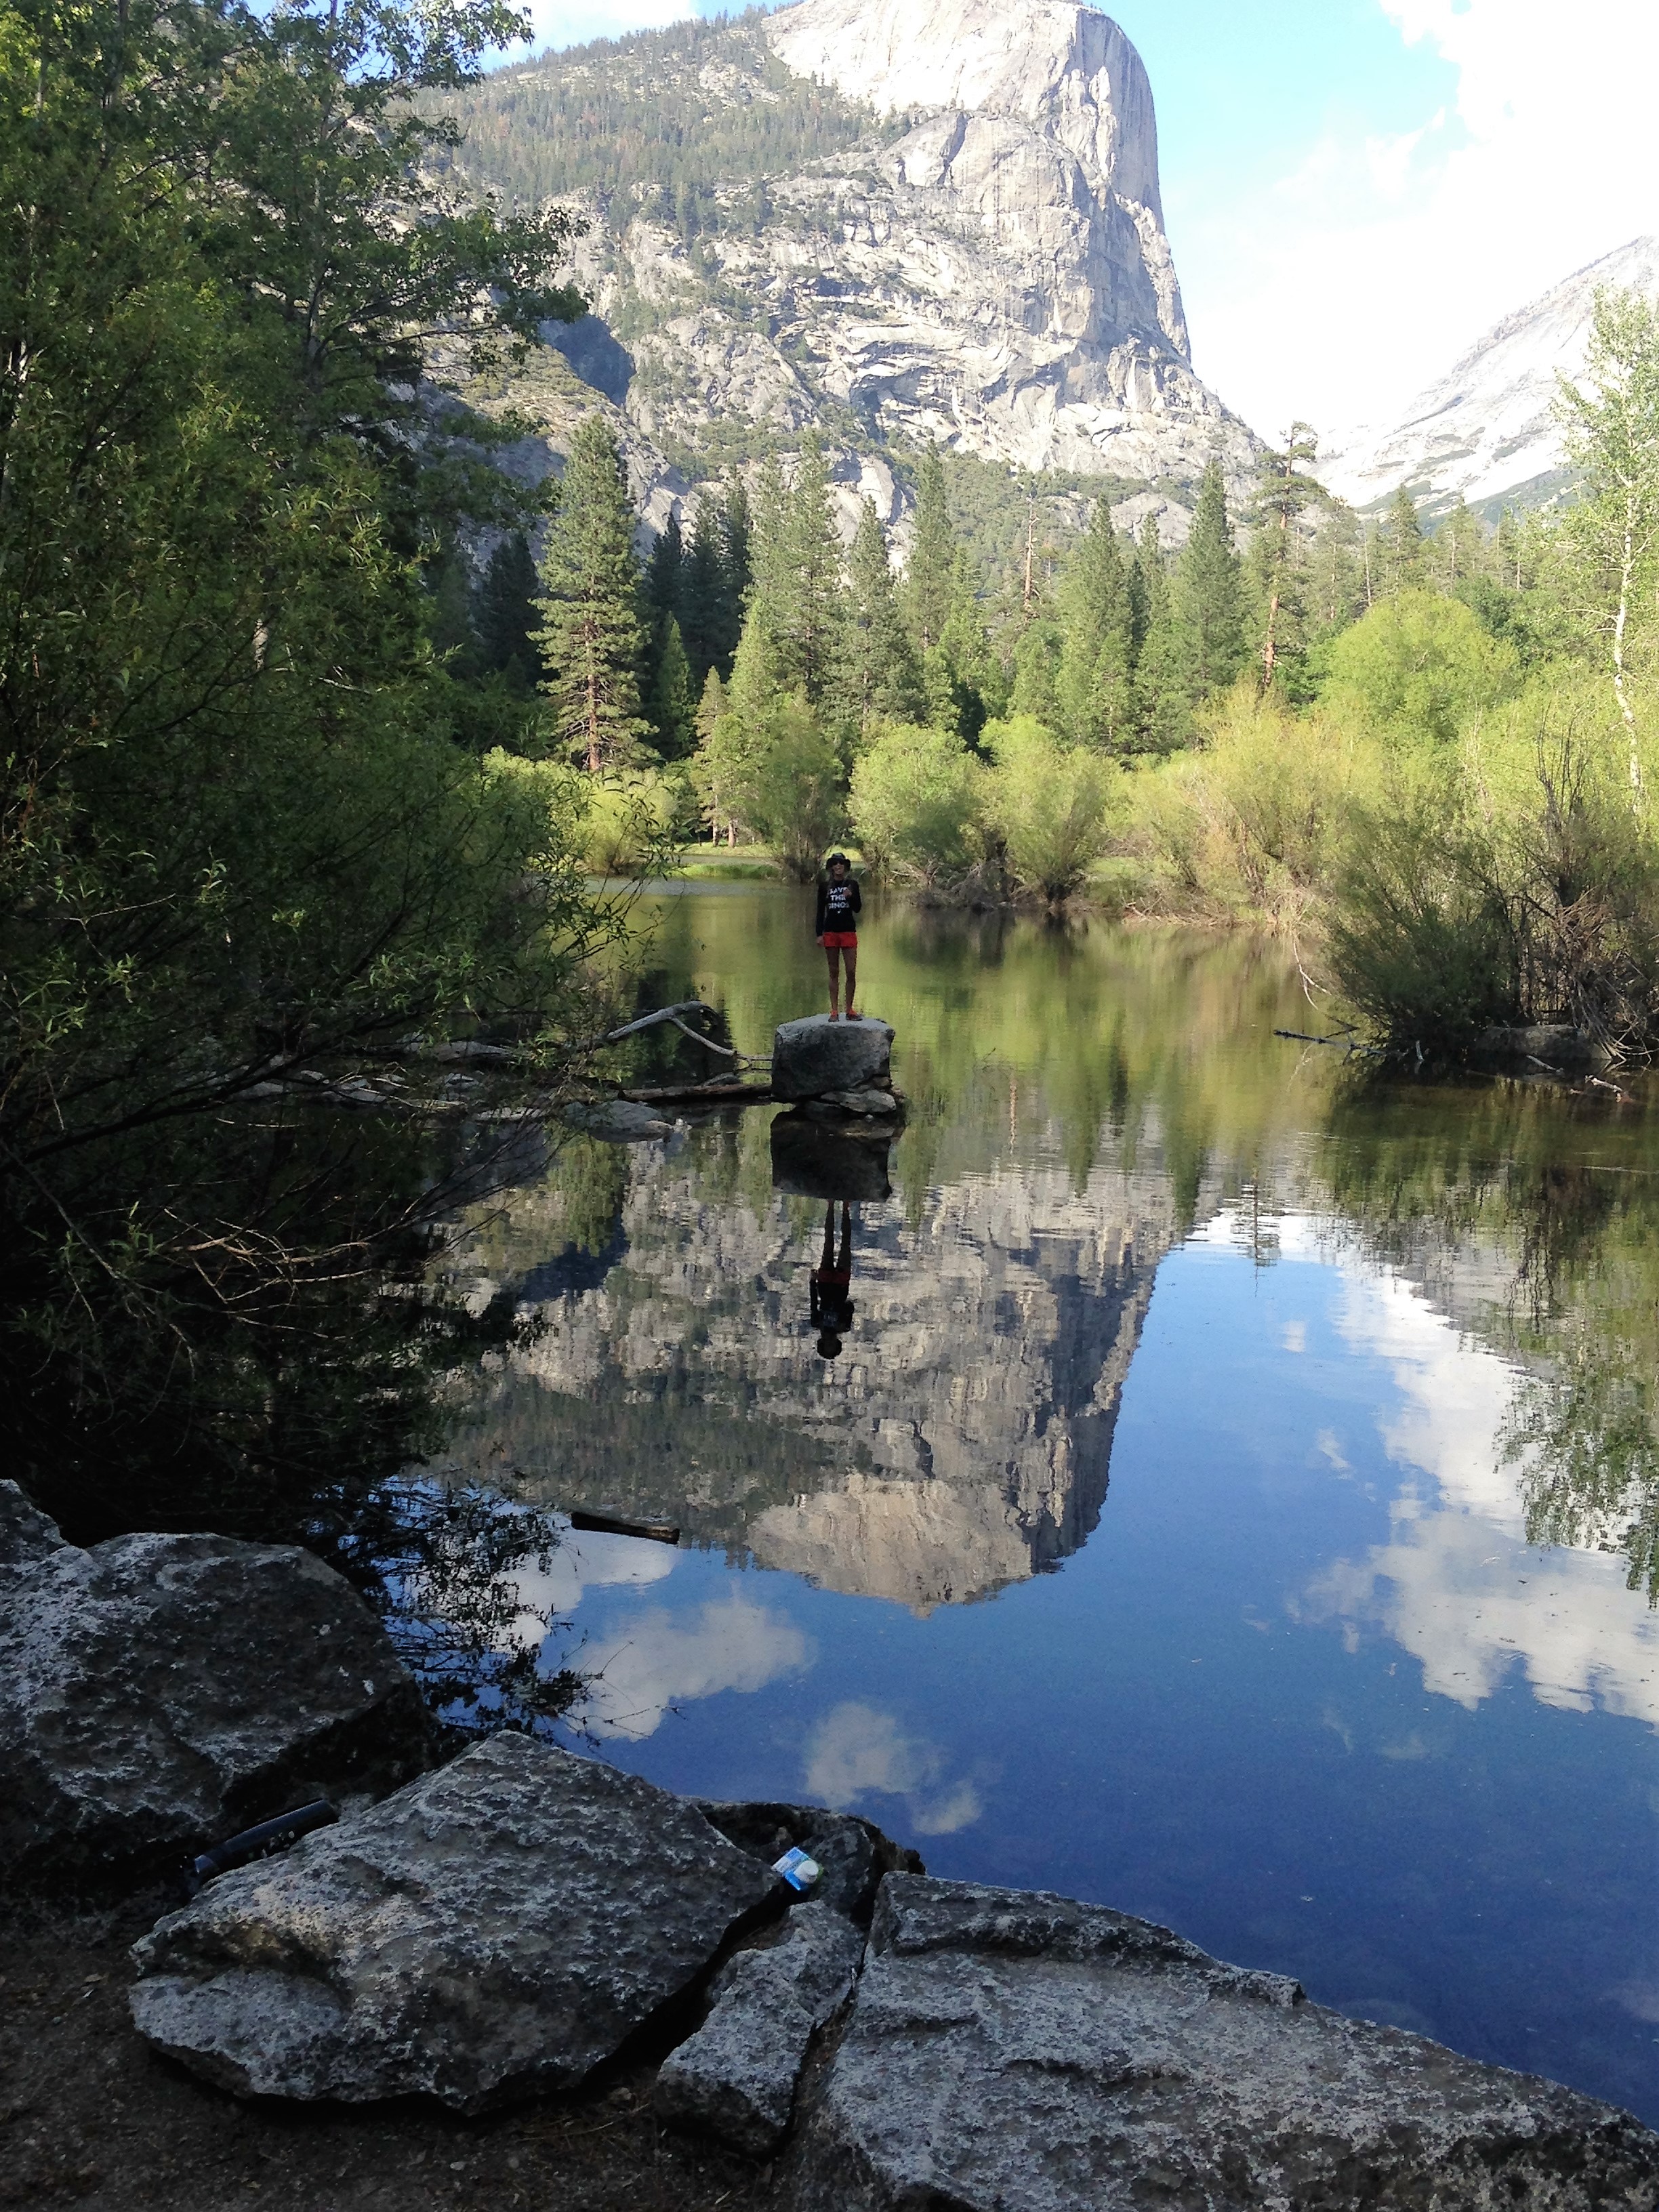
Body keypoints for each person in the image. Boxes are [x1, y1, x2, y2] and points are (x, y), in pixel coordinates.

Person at [815, 852, 862, 1021]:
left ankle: (849, 1010)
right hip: (831, 932)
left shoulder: (852, 885)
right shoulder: (824, 886)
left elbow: (857, 908)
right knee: (834, 972)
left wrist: (851, 897)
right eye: (835, 863)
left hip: (848, 931)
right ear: (831, 867)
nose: (838, 866)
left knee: (851, 971)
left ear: (845, 866)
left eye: (841, 863)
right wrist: (819, 934)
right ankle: (834, 1011)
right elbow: (820, 912)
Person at [809, 1202, 854, 1359]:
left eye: (826, 1345)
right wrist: (844, 1315)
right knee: (846, 1244)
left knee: (828, 1243)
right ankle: (846, 1209)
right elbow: (850, 1305)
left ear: (821, 1342)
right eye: (832, 1345)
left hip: (825, 1283)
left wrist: (812, 1282)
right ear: (837, 1344)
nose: (829, 1342)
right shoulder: (845, 1327)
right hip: (841, 1285)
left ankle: (830, 1205)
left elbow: (814, 1301)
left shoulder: (816, 1322)